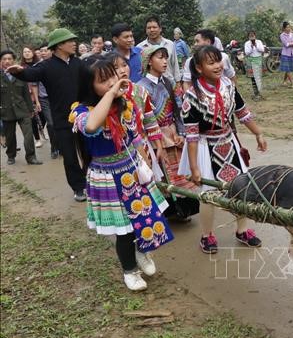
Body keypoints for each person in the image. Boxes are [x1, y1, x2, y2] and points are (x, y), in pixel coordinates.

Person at [70, 57, 173, 291]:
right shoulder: (81, 111)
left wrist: (147, 166)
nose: (112, 82)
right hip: (107, 177)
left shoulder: (125, 103)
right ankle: (129, 271)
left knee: (147, 216)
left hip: (133, 169)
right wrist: (112, 93)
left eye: (113, 76)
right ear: (89, 86)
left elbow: (135, 137)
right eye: (103, 80)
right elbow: (92, 126)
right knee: (124, 230)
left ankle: (142, 251)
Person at [178, 45, 267, 253]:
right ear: (199, 68)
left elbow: (242, 112)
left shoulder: (228, 85)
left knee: (240, 187)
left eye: (219, 60)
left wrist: (258, 133)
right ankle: (206, 235)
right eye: (211, 63)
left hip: (229, 142)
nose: (218, 66)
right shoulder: (191, 97)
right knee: (209, 194)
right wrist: (194, 168)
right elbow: (191, 136)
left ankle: (242, 230)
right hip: (204, 147)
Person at [7, 28, 87, 201]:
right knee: (70, 156)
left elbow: (91, 78)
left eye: (74, 40)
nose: (74, 43)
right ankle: (78, 187)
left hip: (84, 116)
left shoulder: (78, 63)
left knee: (88, 152)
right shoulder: (47, 66)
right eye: (69, 41)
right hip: (61, 118)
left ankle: (91, 183)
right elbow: (30, 74)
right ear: (59, 45)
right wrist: (18, 71)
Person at [136, 45, 199, 221]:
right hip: (155, 136)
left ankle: (184, 210)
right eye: (160, 58)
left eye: (166, 57)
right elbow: (143, 120)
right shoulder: (140, 88)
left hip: (173, 132)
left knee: (180, 171)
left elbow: (178, 109)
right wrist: (155, 141)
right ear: (149, 62)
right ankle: (171, 212)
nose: (165, 61)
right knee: (163, 173)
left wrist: (181, 132)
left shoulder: (168, 82)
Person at [1, 49, 42, 166]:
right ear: (1, 62)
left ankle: (31, 157)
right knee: (10, 136)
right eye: (4, 59)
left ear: (13, 60)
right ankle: (11, 155)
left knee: (28, 135)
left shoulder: (20, 74)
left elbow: (26, 94)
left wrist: (31, 109)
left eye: (9, 59)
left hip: (23, 110)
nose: (7, 61)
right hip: (6, 111)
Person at [136, 16, 180, 86]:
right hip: (150, 86)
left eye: (154, 27)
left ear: (160, 29)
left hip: (170, 84)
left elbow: (175, 65)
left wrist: (178, 82)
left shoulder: (170, 44)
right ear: (146, 30)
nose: (152, 30)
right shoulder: (140, 47)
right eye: (149, 28)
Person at [20, 47, 45, 149]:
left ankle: (41, 128)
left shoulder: (39, 64)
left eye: (29, 51)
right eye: (24, 52)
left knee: (43, 116)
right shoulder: (21, 67)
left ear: (33, 53)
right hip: (28, 95)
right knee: (33, 117)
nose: (26, 53)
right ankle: (38, 139)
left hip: (41, 93)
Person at [244, 31, 266, 100]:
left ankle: (260, 92)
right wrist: (251, 47)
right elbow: (247, 53)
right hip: (251, 61)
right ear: (248, 37)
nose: (252, 37)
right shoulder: (247, 43)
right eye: (250, 36)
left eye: (253, 35)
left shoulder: (259, 42)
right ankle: (256, 92)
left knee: (259, 76)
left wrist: (256, 46)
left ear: (255, 35)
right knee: (253, 77)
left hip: (259, 60)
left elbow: (262, 50)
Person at [279, 21, 293, 88]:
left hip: (292, 53)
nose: (289, 28)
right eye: (287, 27)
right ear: (284, 28)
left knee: (289, 68)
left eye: (289, 27)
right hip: (285, 54)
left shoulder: (292, 34)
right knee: (288, 69)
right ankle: (292, 83)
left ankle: (284, 81)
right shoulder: (282, 35)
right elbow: (286, 44)